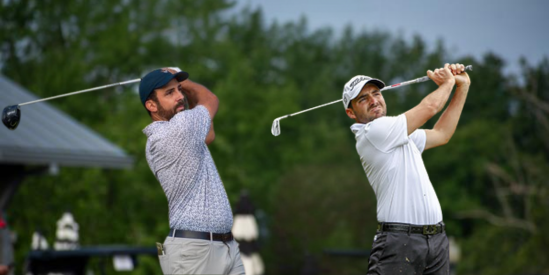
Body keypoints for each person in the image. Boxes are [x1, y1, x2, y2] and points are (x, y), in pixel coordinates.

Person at [343, 63, 470, 274]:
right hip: (398, 242)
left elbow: (442, 134)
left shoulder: (399, 133)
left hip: (436, 241)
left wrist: (461, 87)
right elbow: (430, 108)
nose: (374, 100)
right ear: (351, 112)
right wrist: (448, 82)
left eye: (376, 93)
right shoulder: (372, 132)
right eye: (363, 99)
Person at [140, 67, 245, 275]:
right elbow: (211, 99)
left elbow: (209, 134)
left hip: (226, 246)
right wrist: (184, 80)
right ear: (151, 105)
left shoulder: (185, 129)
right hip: (194, 251)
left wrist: (177, 82)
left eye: (179, 90)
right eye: (169, 93)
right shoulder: (176, 130)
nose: (180, 97)